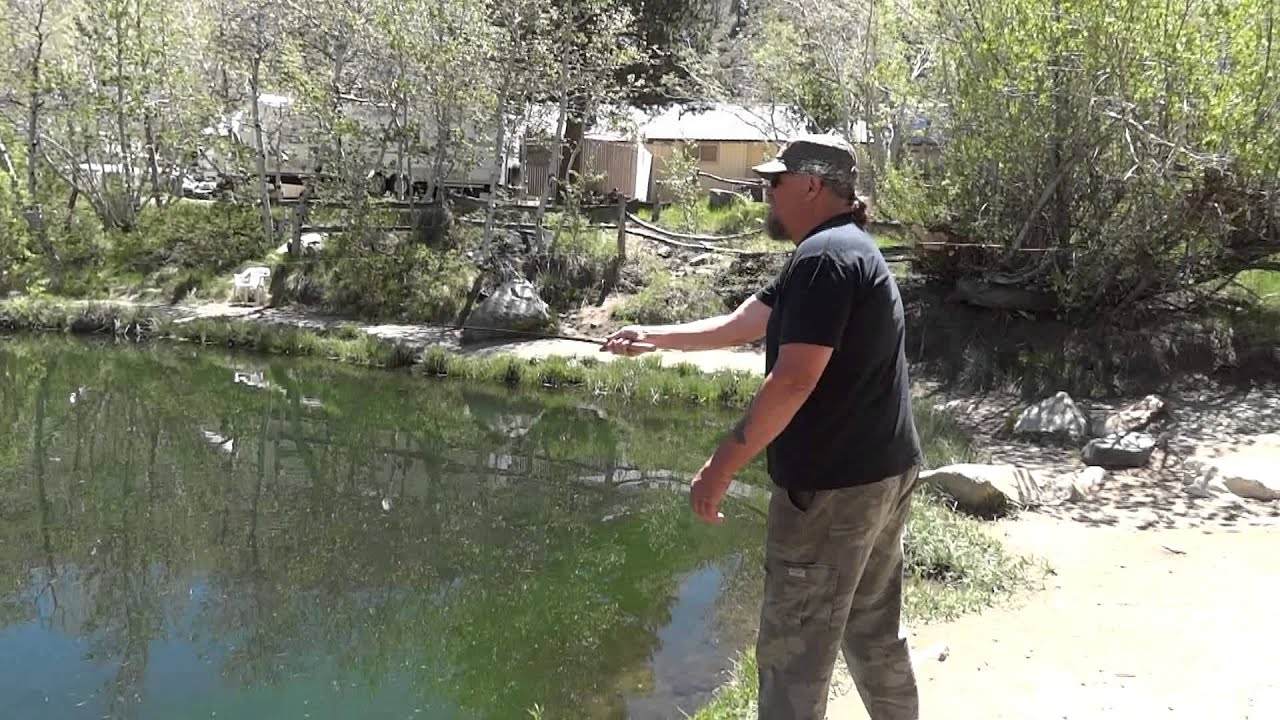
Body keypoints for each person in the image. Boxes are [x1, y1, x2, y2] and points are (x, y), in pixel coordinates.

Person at [601, 133, 923, 720]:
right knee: (872, 630)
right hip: (883, 474)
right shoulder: (839, 251)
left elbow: (793, 382)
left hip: (830, 492)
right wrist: (651, 338)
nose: (765, 195)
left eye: (774, 183)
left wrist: (718, 468)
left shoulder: (825, 260)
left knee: (792, 654)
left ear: (810, 185)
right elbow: (742, 323)